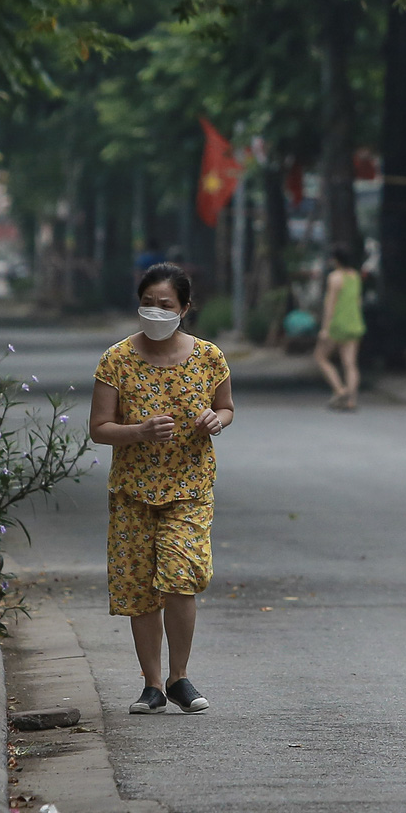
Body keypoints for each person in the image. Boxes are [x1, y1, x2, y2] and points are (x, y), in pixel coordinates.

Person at [90, 262, 235, 715]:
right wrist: (139, 432)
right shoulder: (116, 359)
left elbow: (226, 407)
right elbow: (99, 428)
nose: (155, 311)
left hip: (189, 487)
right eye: (148, 303)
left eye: (165, 304)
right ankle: (152, 684)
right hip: (133, 490)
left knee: (180, 577)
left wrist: (217, 420)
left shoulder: (210, 357)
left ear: (185, 308)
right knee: (139, 588)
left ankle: (180, 676)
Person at [314, 245, 365, 410]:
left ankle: (340, 389)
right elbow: (358, 301)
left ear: (336, 260)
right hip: (354, 323)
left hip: (337, 325)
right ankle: (352, 400)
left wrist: (325, 328)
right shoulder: (355, 276)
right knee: (350, 363)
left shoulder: (335, 277)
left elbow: (330, 305)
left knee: (321, 357)